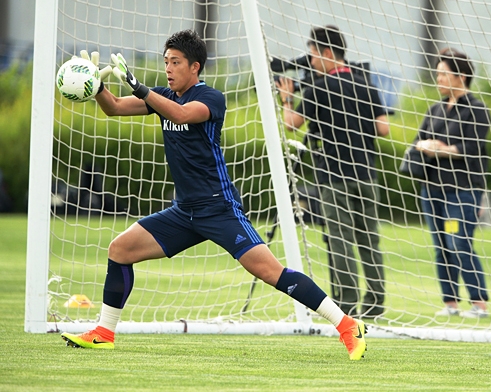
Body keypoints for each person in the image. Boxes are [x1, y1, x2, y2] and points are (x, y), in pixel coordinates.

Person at [60, 29, 368, 361]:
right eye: (166, 62)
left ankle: (347, 325)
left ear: (195, 67)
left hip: (218, 208)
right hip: (184, 212)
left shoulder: (210, 98)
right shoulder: (164, 95)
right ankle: (104, 333)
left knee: (270, 272)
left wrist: (141, 87)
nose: (169, 68)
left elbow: (180, 115)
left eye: (175, 62)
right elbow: (115, 108)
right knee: (120, 249)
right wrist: (95, 84)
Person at [275, 25, 390, 319]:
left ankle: (347, 303)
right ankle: (375, 302)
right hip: (366, 173)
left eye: (313, 55)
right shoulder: (366, 83)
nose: (311, 62)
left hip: (333, 176)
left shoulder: (319, 88)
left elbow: (291, 123)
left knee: (339, 238)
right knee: (369, 239)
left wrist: (286, 97)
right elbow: (383, 128)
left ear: (327, 53)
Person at [413, 48, 491, 319]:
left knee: (460, 243)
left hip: (463, 189)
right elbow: (418, 140)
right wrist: (425, 145)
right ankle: (450, 302)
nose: (439, 79)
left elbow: (472, 148)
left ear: (461, 76)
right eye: (438, 74)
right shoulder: (435, 108)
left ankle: (478, 302)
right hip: (432, 187)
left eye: (444, 74)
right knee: (441, 244)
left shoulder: (477, 109)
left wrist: (441, 149)